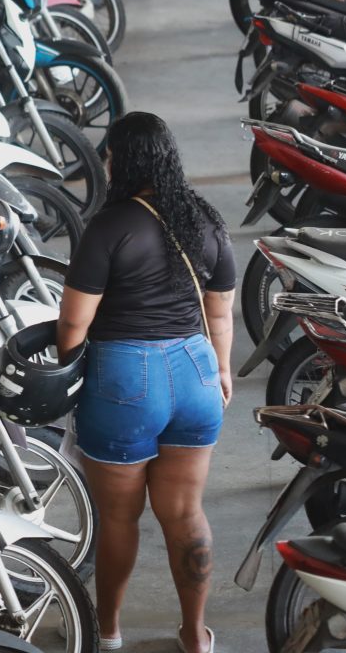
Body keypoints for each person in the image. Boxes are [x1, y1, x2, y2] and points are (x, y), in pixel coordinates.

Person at [56, 112, 236, 653]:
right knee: (185, 513)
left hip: (125, 379)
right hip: (196, 371)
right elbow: (220, 311)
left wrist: (71, 375)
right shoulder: (205, 220)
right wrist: (222, 370)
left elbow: (73, 324)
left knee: (118, 518)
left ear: (124, 162)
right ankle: (195, 635)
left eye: (110, 156)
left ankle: (108, 630)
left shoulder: (110, 226)